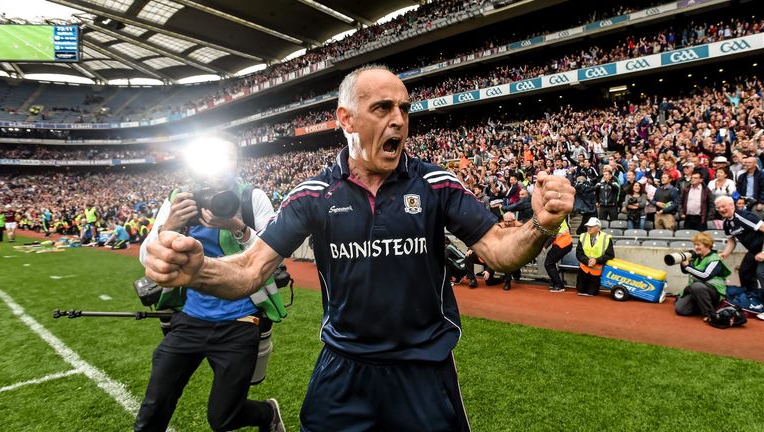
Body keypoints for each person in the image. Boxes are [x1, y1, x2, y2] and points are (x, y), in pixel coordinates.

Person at [143, 65, 575, 431]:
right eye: (383, 108)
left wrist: (540, 224)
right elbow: (249, 271)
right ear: (346, 120)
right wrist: (197, 272)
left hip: (423, 370)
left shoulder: (437, 184)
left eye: (404, 109)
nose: (399, 120)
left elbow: (501, 251)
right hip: (343, 368)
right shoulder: (312, 195)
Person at [135, 134, 285, 432]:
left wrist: (238, 227)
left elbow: (274, 258)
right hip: (190, 318)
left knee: (223, 418)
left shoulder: (251, 198)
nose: (218, 168)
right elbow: (146, 257)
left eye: (226, 158)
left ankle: (267, 414)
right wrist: (171, 225)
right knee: (154, 406)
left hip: (240, 320)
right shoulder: (179, 199)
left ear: (237, 163)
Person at [675, 232, 731, 320]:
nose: (696, 247)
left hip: (714, 293)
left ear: (707, 245)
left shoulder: (715, 259)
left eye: (698, 245)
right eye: (695, 245)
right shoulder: (697, 258)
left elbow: (705, 276)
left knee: (697, 286)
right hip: (699, 291)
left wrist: (687, 266)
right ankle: (701, 306)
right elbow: (686, 271)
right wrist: (683, 263)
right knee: (681, 309)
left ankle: (710, 315)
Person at [717, 196, 764, 294]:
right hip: (753, 250)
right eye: (718, 208)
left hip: (762, 247)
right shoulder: (726, 223)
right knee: (744, 273)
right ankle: (752, 298)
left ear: (732, 205)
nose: (721, 209)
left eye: (723, 206)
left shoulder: (744, 216)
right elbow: (731, 241)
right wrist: (724, 254)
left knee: (761, 273)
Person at [575, 217, 614, 296]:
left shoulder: (606, 238)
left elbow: (610, 255)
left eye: (591, 226)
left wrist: (596, 260)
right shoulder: (583, 236)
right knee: (580, 291)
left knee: (592, 293)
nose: (588, 228)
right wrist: (587, 261)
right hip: (584, 269)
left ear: (598, 228)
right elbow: (579, 253)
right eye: (588, 226)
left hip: (596, 271)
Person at [545, 216, 572, 293]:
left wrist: (545, 246)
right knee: (550, 263)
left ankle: (559, 285)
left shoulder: (555, 218)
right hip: (564, 243)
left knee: (548, 263)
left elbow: (553, 235)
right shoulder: (559, 216)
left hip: (562, 244)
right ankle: (556, 283)